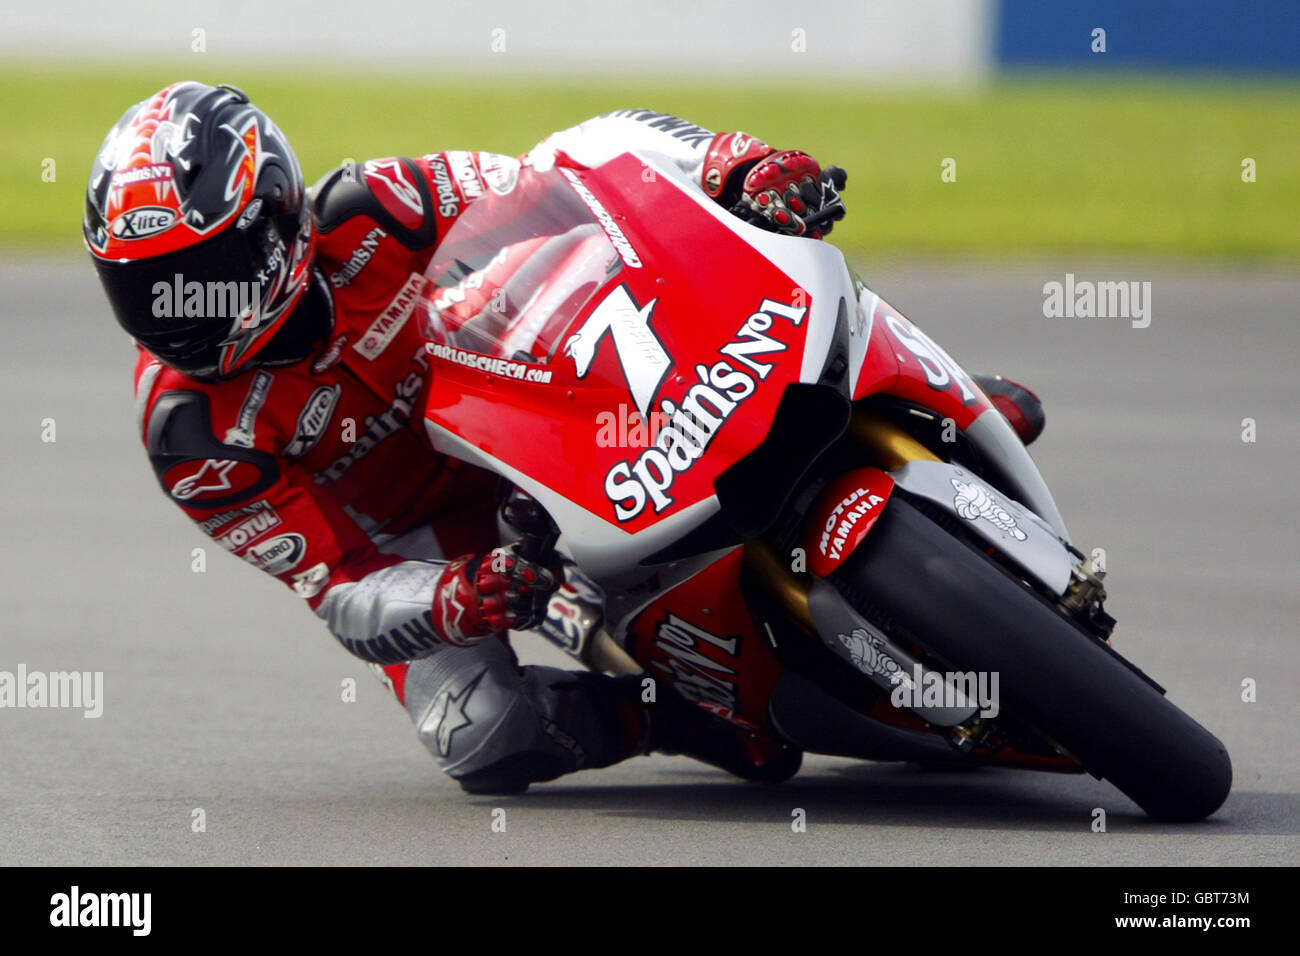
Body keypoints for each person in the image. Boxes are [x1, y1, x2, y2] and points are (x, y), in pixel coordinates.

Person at [83, 83, 876, 794]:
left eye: (202, 269)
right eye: (143, 288)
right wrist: (454, 597)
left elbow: (579, 176)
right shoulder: (190, 434)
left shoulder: (378, 205)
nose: (178, 311)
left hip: (535, 413)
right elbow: (342, 591)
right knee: (480, 735)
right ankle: (670, 717)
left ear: (277, 216)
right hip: (420, 544)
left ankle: (948, 398)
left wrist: (728, 168)